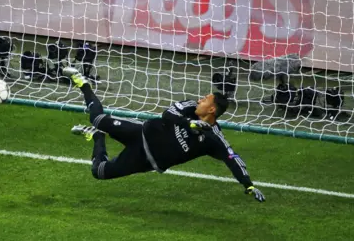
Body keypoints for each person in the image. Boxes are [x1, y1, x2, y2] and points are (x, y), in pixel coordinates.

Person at [63, 67, 265, 202]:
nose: (200, 100)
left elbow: (231, 157)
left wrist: (248, 185)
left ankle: (97, 137)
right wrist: (189, 124)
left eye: (205, 99)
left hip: (144, 160)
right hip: (140, 133)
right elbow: (167, 115)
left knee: (98, 172)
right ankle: (83, 84)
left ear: (212, 110)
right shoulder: (189, 107)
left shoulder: (212, 138)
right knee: (97, 118)